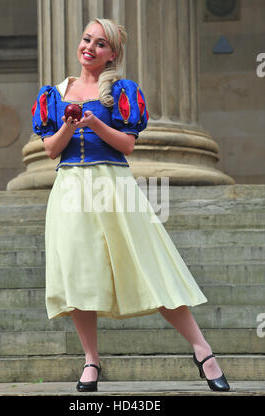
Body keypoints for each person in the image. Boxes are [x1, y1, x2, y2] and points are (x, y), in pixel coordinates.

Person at [32, 18, 230, 393]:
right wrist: (70, 127)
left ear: (112, 55)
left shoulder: (122, 90)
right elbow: (50, 150)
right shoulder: (55, 93)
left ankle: (203, 350)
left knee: (150, 265)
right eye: (87, 39)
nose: (90, 46)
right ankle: (91, 360)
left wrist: (92, 122)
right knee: (78, 273)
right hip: (71, 186)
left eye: (100, 44)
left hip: (113, 184)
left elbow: (126, 145)